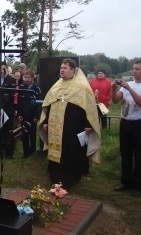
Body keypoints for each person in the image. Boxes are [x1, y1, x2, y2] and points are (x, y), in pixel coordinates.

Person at [39, 58, 101, 188]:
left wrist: (87, 124)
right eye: (61, 68)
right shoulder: (57, 86)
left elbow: (89, 108)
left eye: (65, 68)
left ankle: (71, 177)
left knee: (71, 151)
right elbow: (49, 103)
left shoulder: (82, 87)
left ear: (73, 70)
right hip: (56, 126)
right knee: (56, 147)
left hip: (74, 127)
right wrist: (45, 121)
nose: (62, 70)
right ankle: (55, 175)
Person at [111, 60, 141, 197]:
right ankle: (125, 181)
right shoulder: (126, 86)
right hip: (125, 122)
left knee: (139, 155)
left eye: (137, 69)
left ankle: (137, 184)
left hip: (139, 123)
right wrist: (113, 89)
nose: (134, 71)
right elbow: (116, 100)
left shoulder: (134, 86)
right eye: (133, 68)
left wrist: (129, 89)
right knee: (125, 153)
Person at [19, 69, 41, 157]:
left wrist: (36, 115)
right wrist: (20, 113)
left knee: (32, 132)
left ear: (33, 77)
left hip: (32, 114)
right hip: (24, 113)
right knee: (24, 133)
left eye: (28, 77)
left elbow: (39, 103)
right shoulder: (22, 87)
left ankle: (32, 149)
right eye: (25, 77)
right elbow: (20, 101)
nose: (27, 79)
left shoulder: (37, 88)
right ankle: (26, 151)